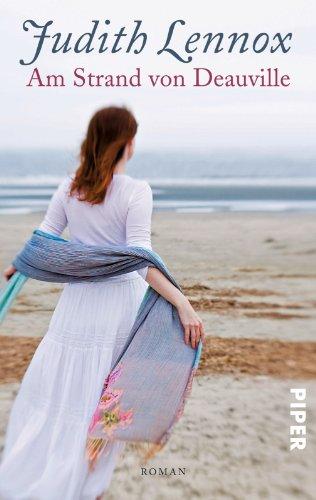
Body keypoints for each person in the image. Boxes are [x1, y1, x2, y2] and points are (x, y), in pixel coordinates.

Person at [0, 106, 205, 500]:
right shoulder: (134, 192)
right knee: (105, 398)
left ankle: (47, 478)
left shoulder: (71, 187)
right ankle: (90, 487)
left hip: (76, 305)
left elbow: (43, 238)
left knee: (65, 393)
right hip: (116, 308)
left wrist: (15, 266)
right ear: (127, 144)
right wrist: (183, 303)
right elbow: (141, 259)